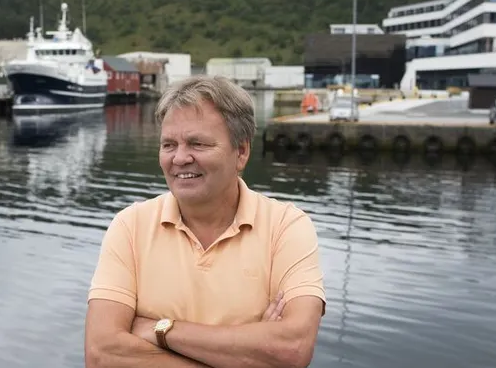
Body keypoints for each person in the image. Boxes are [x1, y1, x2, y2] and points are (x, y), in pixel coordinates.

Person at [84, 74, 327, 368]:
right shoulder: (130, 226)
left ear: (242, 152)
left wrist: (158, 329)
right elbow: (101, 354)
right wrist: (246, 352)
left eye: (197, 143)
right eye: (169, 144)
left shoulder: (286, 227)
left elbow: (292, 348)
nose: (180, 158)